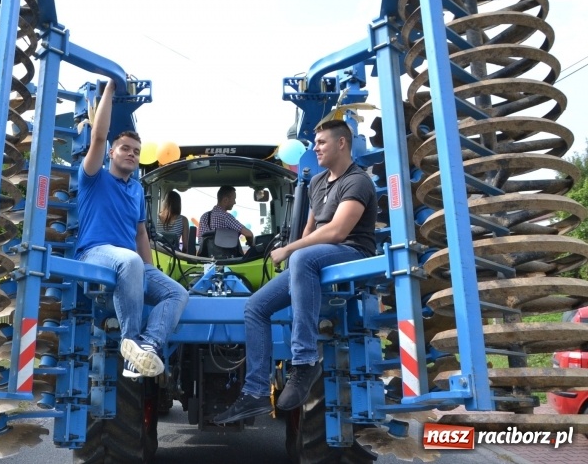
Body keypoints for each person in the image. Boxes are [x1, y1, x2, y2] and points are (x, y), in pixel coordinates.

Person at [213, 119, 377, 423]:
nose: (315, 148)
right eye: (315, 143)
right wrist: (296, 251)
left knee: (303, 258)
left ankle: (304, 362)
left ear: (342, 143)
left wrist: (290, 250)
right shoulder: (317, 182)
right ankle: (256, 393)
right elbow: (309, 228)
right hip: (316, 256)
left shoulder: (358, 181)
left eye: (321, 142)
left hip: (352, 252)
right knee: (256, 306)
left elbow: (338, 231)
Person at [76, 79, 189, 379]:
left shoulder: (137, 189)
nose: (131, 153)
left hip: (131, 262)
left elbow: (140, 233)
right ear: (111, 153)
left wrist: (150, 274)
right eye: (124, 148)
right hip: (95, 253)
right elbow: (99, 136)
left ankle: (149, 346)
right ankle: (131, 342)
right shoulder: (93, 178)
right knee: (129, 260)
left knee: (177, 293)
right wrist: (110, 89)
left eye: (136, 151)